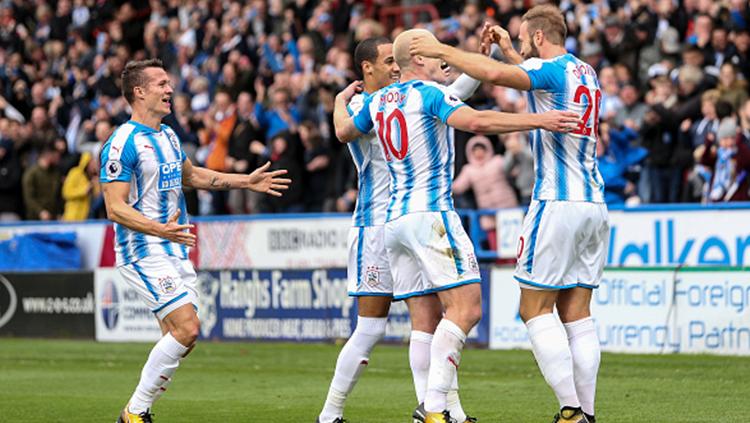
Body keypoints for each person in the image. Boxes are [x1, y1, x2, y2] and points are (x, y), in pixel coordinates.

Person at [335, 29, 580, 423]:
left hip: (394, 223)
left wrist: (338, 103)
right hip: (432, 215)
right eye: (434, 54)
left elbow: (345, 130)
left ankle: (443, 408)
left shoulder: (377, 101)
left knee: (426, 320)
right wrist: (540, 120)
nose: (442, 60)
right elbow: (478, 121)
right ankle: (434, 408)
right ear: (418, 60)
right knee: (466, 309)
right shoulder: (430, 95)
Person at [411, 5, 609, 423]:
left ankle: (571, 412)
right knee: (578, 313)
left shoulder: (553, 71)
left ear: (539, 38)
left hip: (557, 202)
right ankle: (587, 413)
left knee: (534, 310)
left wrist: (439, 48)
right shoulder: (584, 73)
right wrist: (505, 49)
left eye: (522, 38)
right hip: (594, 204)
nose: (519, 45)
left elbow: (502, 77)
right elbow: (531, 77)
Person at [100, 59, 290, 423]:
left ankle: (142, 409)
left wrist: (244, 181)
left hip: (174, 247)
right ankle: (133, 413)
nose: (170, 89)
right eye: (161, 84)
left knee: (181, 340)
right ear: (139, 92)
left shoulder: (168, 135)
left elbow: (194, 175)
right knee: (187, 329)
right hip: (142, 250)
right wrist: (158, 229)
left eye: (169, 83)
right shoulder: (121, 143)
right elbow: (114, 207)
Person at [317, 34, 492, 423]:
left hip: (404, 220)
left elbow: (453, 95)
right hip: (373, 226)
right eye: (387, 62)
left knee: (429, 320)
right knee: (370, 327)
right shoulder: (366, 103)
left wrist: (477, 62)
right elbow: (343, 131)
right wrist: (338, 102)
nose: (396, 67)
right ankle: (330, 414)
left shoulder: (405, 96)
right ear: (367, 68)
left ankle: (442, 411)